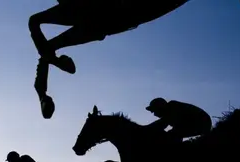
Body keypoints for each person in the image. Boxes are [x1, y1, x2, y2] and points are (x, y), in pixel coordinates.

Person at [30, 0, 190, 119]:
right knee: (43, 41)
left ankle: (45, 86)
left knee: (38, 29)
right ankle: (44, 88)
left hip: (101, 17)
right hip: (97, 20)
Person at [145, 97, 212, 142]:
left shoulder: (172, 107)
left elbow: (160, 124)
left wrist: (144, 130)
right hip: (200, 123)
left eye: (154, 111)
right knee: (174, 134)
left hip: (201, 122)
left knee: (170, 135)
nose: (154, 114)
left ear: (160, 107)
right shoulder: (172, 108)